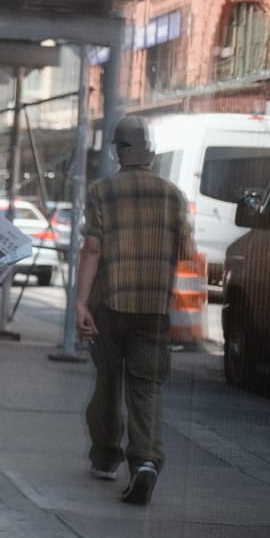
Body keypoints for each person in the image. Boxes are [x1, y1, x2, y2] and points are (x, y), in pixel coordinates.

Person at [75, 115, 195, 506]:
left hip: (110, 303)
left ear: (117, 150)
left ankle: (106, 457)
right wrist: (187, 312)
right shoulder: (174, 195)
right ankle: (144, 461)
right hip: (155, 307)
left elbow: (92, 248)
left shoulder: (102, 192)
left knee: (108, 380)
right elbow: (188, 256)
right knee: (146, 387)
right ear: (151, 151)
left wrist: (80, 303)